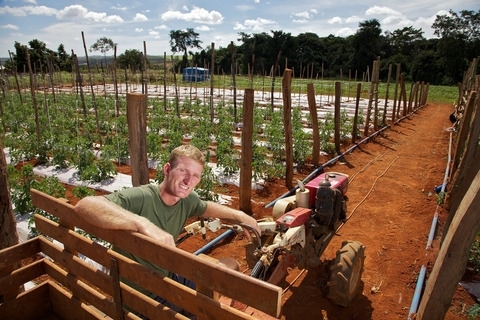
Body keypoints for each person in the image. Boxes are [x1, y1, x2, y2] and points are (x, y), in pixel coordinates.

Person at [74, 144, 260, 316]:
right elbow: (85, 205)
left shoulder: (187, 200)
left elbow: (205, 206)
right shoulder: (143, 197)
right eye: (183, 171)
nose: (189, 180)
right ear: (167, 169)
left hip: (168, 278)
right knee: (206, 305)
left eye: (195, 175)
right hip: (141, 298)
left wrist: (240, 216)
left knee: (230, 265)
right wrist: (143, 224)